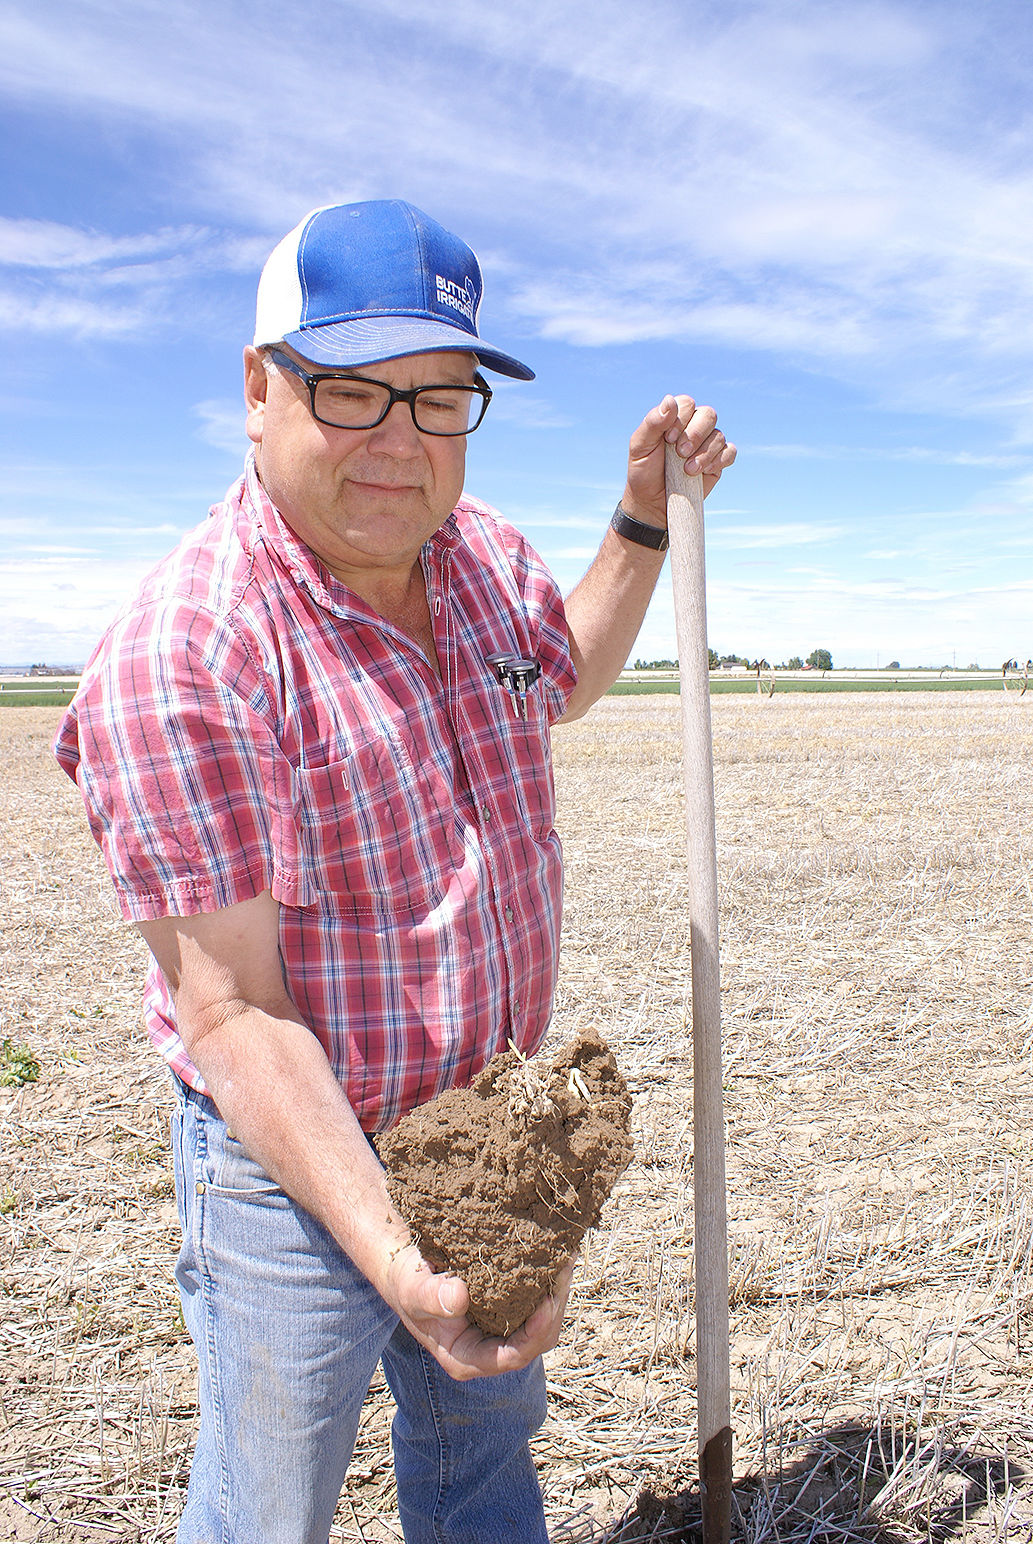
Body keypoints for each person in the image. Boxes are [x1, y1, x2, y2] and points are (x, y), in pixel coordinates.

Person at [55, 199, 735, 1544]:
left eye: (440, 401)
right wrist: (393, 1253)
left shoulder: (480, 560)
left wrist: (641, 521)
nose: (401, 442)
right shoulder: (186, 654)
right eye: (355, 391)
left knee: (482, 1466)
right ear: (259, 390)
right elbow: (233, 1011)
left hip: (486, 1126)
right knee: (274, 1504)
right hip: (287, 1160)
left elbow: (565, 679)